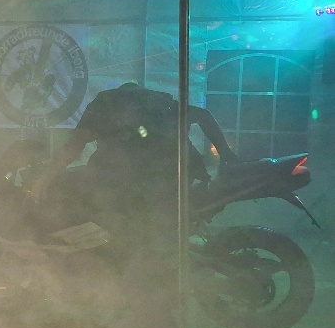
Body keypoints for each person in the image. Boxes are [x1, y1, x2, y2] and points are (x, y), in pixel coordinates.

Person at [31, 82, 238, 224]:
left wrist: (45, 178)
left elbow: (73, 147)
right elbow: (203, 115)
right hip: (179, 177)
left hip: (141, 184)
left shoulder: (105, 104)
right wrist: (226, 154)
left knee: (89, 195)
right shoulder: (159, 102)